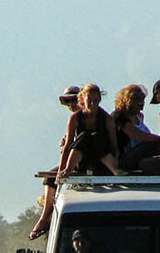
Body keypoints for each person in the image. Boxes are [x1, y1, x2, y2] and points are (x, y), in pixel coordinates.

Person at [30, 84, 120, 240]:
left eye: (95, 100)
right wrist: (61, 170)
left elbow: (114, 145)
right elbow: (67, 146)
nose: (92, 103)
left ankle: (113, 170)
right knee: (51, 176)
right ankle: (45, 217)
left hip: (101, 160)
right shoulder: (75, 118)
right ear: (82, 100)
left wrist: (117, 165)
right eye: (89, 100)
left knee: (91, 137)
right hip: (80, 160)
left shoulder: (106, 119)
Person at [112, 85, 160, 171]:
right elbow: (141, 137)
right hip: (124, 158)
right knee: (152, 145)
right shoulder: (119, 117)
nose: (141, 108)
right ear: (130, 102)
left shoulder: (139, 117)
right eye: (139, 105)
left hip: (137, 155)